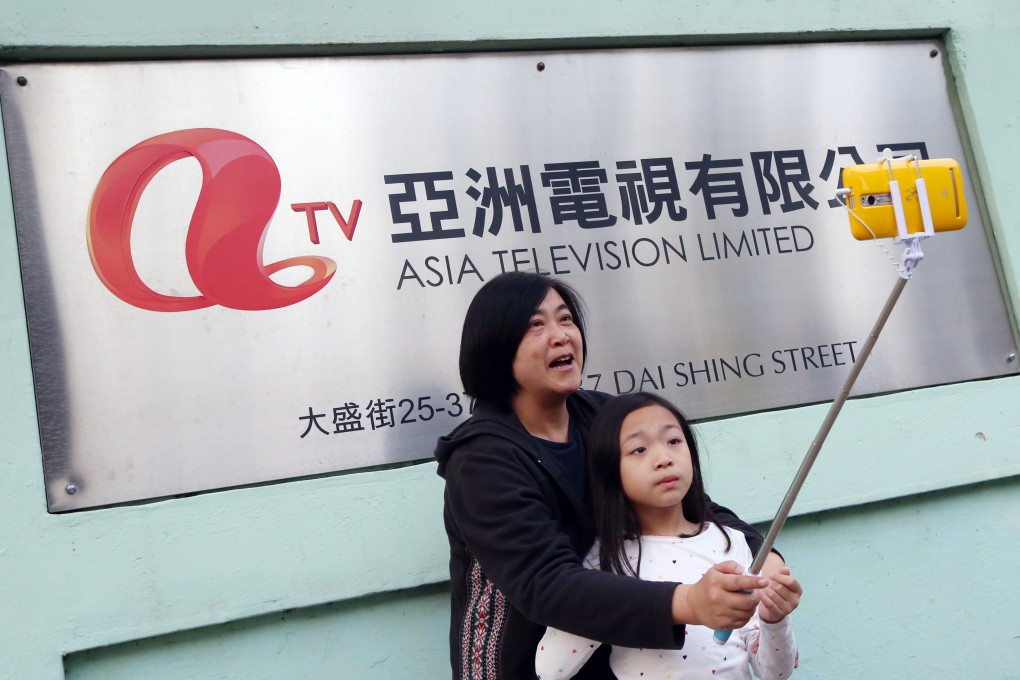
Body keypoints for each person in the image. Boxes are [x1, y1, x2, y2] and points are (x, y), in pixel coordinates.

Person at [435, 271, 784, 680]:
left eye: (566, 319)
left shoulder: (604, 418)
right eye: (535, 325)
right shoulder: (481, 461)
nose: (561, 335)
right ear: (496, 347)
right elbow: (548, 584)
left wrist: (764, 558)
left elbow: (685, 502)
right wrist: (689, 602)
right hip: (518, 667)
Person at [534, 392, 801, 680]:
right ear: (610, 471)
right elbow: (550, 669)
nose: (663, 459)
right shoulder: (604, 559)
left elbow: (775, 674)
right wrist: (602, 607)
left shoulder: (730, 542)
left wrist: (774, 620)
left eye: (673, 441)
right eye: (639, 449)